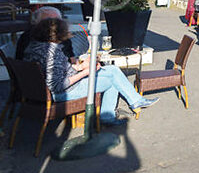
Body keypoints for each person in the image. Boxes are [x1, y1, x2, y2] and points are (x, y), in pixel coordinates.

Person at [23, 18, 158, 126]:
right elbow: (58, 85)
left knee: (112, 70)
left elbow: (55, 71)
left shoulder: (34, 47)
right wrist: (86, 72)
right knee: (113, 80)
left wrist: (79, 68)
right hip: (61, 93)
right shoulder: (53, 52)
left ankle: (133, 102)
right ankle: (110, 115)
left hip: (42, 90)